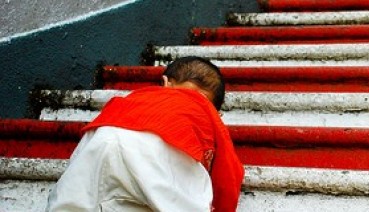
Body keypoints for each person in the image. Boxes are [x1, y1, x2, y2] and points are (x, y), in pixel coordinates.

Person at [47, 57, 244, 212]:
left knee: (73, 200)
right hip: (167, 146)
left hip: (105, 134)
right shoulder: (206, 114)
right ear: (216, 113)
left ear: (165, 82)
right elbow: (227, 173)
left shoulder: (138, 97)